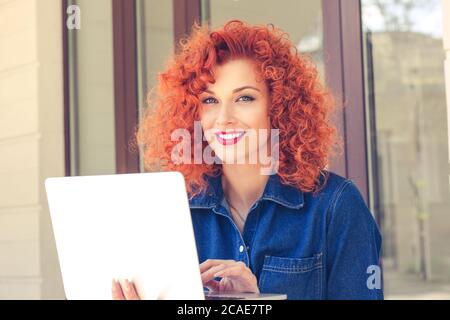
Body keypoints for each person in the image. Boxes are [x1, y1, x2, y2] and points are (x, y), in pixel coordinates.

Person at [111, 20, 384, 300]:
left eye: (244, 98)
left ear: (278, 106)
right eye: (209, 101)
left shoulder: (335, 206)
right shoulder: (174, 211)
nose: (224, 118)